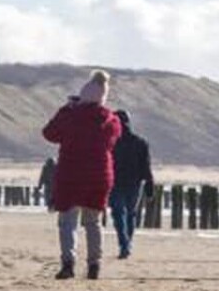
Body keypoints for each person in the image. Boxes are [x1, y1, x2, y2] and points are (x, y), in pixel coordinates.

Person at [42, 69, 122, 280]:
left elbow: (49, 133)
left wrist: (67, 109)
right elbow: (113, 139)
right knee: (93, 222)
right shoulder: (111, 120)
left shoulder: (70, 115)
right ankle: (94, 265)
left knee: (67, 222)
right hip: (99, 176)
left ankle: (68, 263)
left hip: (71, 173)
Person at [108, 109, 156, 260]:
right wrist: (149, 185)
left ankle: (125, 244)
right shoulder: (140, 143)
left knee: (119, 213)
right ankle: (126, 244)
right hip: (133, 183)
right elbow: (146, 167)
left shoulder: (111, 143)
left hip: (117, 182)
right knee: (129, 214)